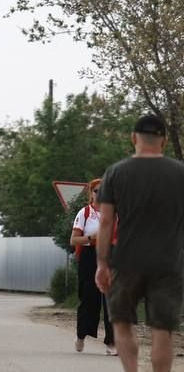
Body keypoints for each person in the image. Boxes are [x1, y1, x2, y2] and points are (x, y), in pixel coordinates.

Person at [95, 113, 184, 372]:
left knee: (122, 323)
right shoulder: (180, 173)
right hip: (168, 263)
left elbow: (105, 222)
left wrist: (102, 263)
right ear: (164, 141)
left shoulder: (116, 173)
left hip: (126, 262)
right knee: (162, 330)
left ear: (133, 138)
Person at [70, 178, 115, 355]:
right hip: (89, 257)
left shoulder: (113, 213)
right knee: (89, 300)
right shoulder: (85, 213)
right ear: (91, 193)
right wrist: (92, 238)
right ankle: (81, 335)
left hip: (110, 256)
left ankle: (111, 342)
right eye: (97, 191)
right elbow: (73, 240)